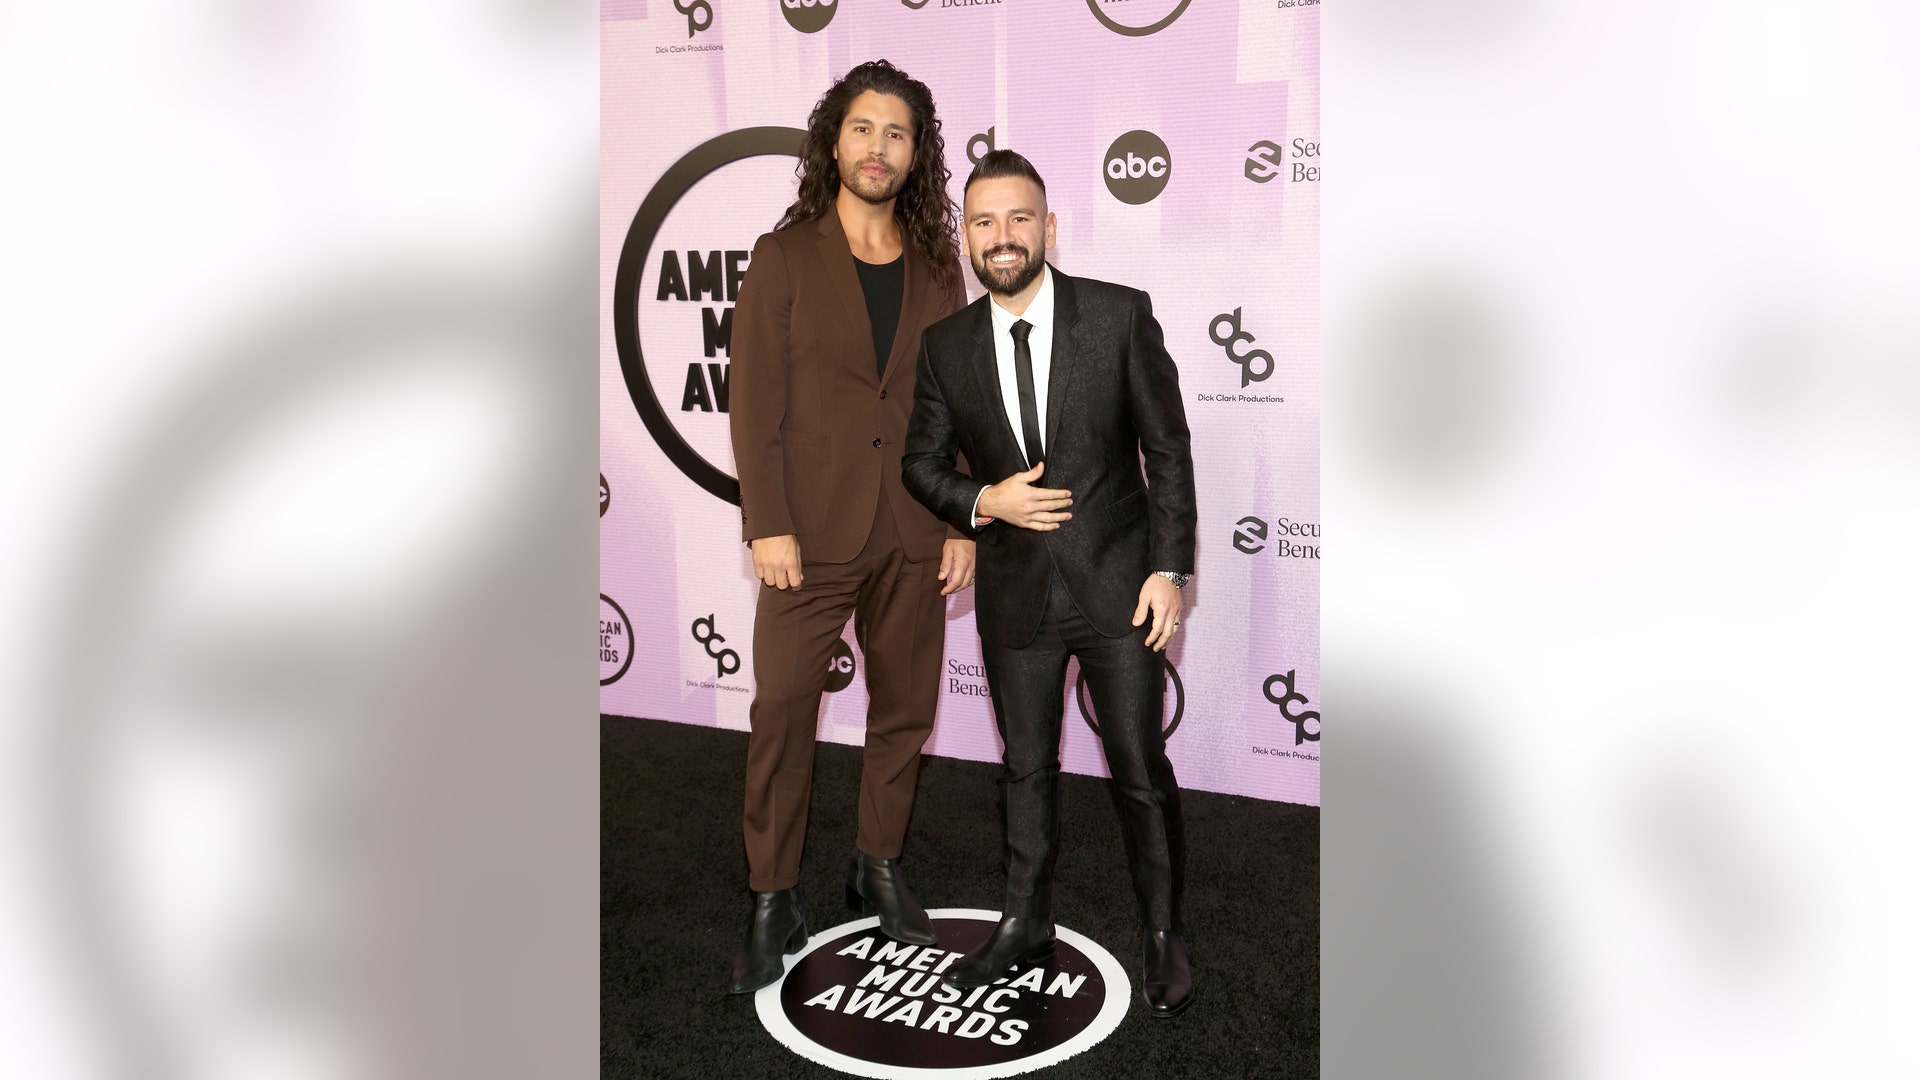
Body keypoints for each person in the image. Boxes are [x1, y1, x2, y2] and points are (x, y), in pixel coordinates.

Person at [901, 150, 1199, 1017]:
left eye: (1019, 219)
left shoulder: (1117, 315)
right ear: (966, 236)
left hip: (1119, 590)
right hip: (1016, 598)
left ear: (1049, 227)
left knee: (1140, 768)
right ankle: (1025, 920)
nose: (1003, 238)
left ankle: (1163, 932)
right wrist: (982, 499)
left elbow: (1168, 452)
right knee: (1025, 770)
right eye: (985, 222)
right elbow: (922, 463)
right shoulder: (946, 345)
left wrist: (1169, 570)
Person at [725, 60, 974, 995]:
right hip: (808, 537)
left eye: (898, 133)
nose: (879, 148)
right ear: (835, 141)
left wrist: (961, 519)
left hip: (915, 528)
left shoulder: (939, 267)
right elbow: (755, 403)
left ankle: (876, 863)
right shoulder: (784, 256)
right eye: (863, 128)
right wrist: (767, 522)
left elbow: (956, 406)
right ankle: (771, 895)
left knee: (904, 714)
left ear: (917, 154)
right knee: (784, 715)